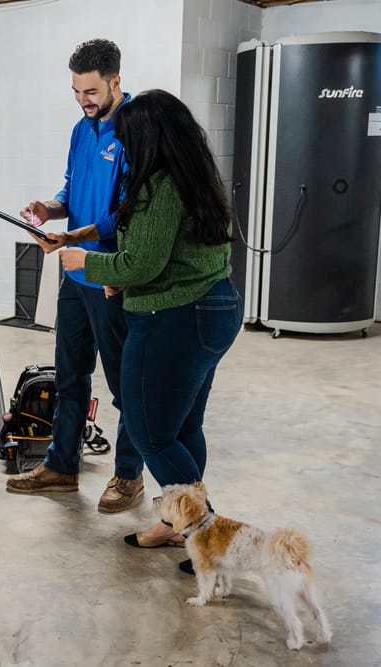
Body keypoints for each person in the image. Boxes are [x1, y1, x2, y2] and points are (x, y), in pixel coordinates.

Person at [57, 89, 243, 564]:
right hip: (212, 307)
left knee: (150, 433)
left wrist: (90, 265)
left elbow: (141, 261)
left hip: (174, 318)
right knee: (182, 428)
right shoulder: (196, 176)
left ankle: (207, 536)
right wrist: (121, 272)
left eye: (129, 138)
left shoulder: (160, 186)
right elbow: (168, 252)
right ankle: (174, 522)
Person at [6, 38, 145, 515]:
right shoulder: (80, 130)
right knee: (70, 376)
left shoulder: (134, 133)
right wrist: (50, 208)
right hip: (73, 275)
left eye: (90, 91)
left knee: (126, 386)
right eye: (76, 91)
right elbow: (72, 191)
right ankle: (61, 465)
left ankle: (128, 477)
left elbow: (125, 216)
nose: (83, 101)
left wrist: (72, 240)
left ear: (115, 82)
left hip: (110, 275)